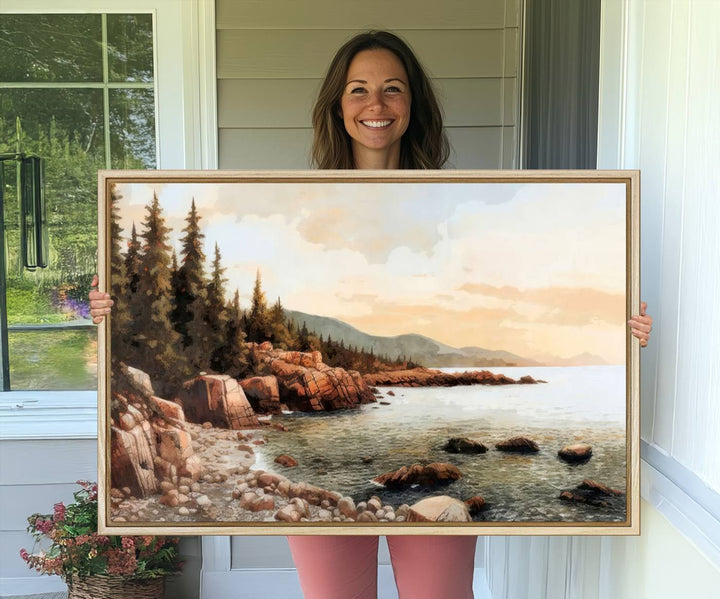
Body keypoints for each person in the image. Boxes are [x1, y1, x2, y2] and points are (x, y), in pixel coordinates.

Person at [89, 30, 653, 599]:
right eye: (358, 90)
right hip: (314, 476)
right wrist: (114, 310)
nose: (376, 105)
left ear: (413, 105)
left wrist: (619, 327)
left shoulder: (458, 199)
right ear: (338, 105)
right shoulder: (287, 200)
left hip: (415, 466)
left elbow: (543, 290)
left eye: (392, 89)